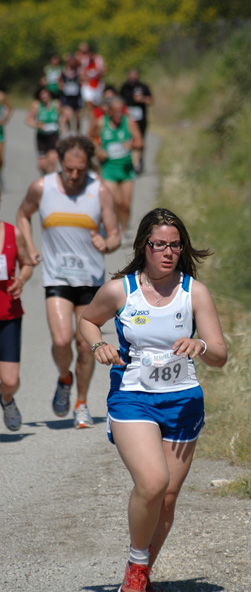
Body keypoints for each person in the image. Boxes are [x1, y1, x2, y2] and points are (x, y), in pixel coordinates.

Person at [79, 207, 227, 592]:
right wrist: (99, 344)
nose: (167, 252)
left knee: (168, 498)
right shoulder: (120, 290)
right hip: (133, 399)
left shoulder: (194, 292)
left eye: (175, 245)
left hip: (182, 401)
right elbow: (87, 319)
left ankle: (138, 575)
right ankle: (136, 567)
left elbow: (220, 355)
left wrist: (202, 345)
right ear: (144, 245)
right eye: (159, 244)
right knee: (152, 482)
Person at [16, 135, 120, 430]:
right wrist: (28, 248)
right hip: (57, 276)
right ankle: (65, 377)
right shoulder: (42, 187)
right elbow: (23, 215)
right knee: (62, 341)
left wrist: (106, 243)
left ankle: (82, 404)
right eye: (69, 168)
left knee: (84, 345)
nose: (75, 175)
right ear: (60, 162)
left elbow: (114, 234)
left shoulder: (99, 190)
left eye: (81, 169)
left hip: (90, 279)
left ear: (89, 165)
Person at [89, 97, 143, 234]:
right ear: (109, 112)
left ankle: (123, 231)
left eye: (121, 111)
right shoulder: (101, 122)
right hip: (108, 169)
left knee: (125, 205)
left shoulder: (129, 122)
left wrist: (132, 145)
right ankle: (115, 229)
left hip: (126, 169)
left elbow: (141, 143)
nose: (119, 114)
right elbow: (90, 139)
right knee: (113, 202)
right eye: (116, 111)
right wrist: (98, 151)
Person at [0, 207, 33, 432]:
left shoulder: (13, 233)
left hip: (8, 313)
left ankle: (7, 399)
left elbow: (28, 263)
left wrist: (21, 279)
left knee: (10, 381)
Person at [120, 69, 152, 174]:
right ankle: (130, 163)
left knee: (140, 142)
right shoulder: (124, 87)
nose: (133, 76)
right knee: (128, 141)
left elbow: (150, 100)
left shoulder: (143, 87)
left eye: (135, 74)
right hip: (128, 120)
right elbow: (118, 102)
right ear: (127, 75)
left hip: (141, 120)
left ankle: (140, 162)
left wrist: (142, 99)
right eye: (131, 74)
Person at [25, 86, 63, 174]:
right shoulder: (36, 105)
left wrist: (61, 125)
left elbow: (62, 115)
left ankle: (51, 182)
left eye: (46, 94)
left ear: (49, 94)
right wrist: (38, 125)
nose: (44, 96)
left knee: (52, 160)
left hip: (54, 135)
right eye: (41, 94)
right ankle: (45, 176)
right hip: (42, 137)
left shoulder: (56, 104)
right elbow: (28, 120)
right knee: (42, 165)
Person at [79, 43, 106, 115]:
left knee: (97, 106)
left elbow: (103, 71)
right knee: (89, 104)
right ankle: (91, 119)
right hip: (88, 85)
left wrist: (99, 72)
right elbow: (82, 73)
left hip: (97, 85)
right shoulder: (84, 60)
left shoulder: (99, 59)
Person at [59, 54, 83, 133]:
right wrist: (61, 86)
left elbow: (85, 79)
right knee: (67, 115)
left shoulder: (79, 71)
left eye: (74, 62)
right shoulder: (63, 71)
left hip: (76, 97)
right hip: (67, 97)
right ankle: (69, 130)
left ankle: (78, 132)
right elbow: (59, 81)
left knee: (78, 118)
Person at [0, 90, 13, 188]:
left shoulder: (1, 96)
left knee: (0, 159)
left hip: (0, 133)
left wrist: (5, 119)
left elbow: (10, 108)